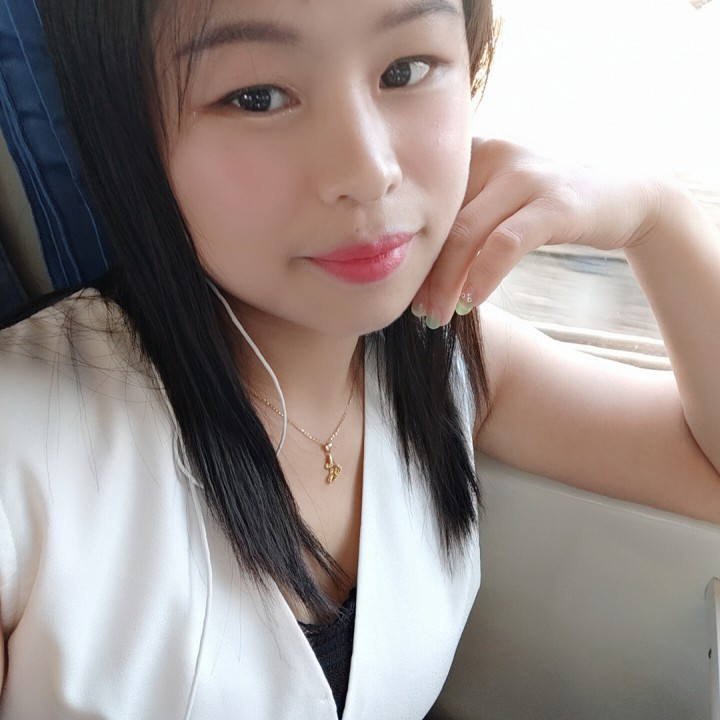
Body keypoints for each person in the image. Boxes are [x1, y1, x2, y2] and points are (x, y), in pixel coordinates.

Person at [1, 0, 719, 718]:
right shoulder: (24, 435)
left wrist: (656, 217)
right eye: (258, 97)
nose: (368, 170)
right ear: (131, 132)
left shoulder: (448, 351)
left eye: (405, 70)